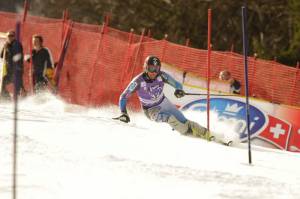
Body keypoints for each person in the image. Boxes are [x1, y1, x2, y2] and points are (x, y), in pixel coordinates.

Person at [115, 55, 211, 139]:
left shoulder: (162, 76)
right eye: (151, 69)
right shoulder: (138, 81)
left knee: (184, 120)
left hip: (164, 102)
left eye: (156, 69)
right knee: (170, 118)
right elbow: (124, 96)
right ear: (145, 68)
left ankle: (207, 134)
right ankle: (189, 134)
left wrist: (178, 90)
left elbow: (177, 84)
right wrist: (124, 113)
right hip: (150, 110)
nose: (154, 72)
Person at [0, 30, 25, 99]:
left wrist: (7, 48)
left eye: (12, 36)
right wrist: (4, 48)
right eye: (8, 36)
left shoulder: (16, 44)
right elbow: (2, 56)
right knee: (2, 83)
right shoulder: (8, 44)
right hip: (9, 70)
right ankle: (6, 98)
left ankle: (23, 99)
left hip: (16, 70)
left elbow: (15, 56)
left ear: (14, 37)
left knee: (18, 87)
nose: (10, 37)